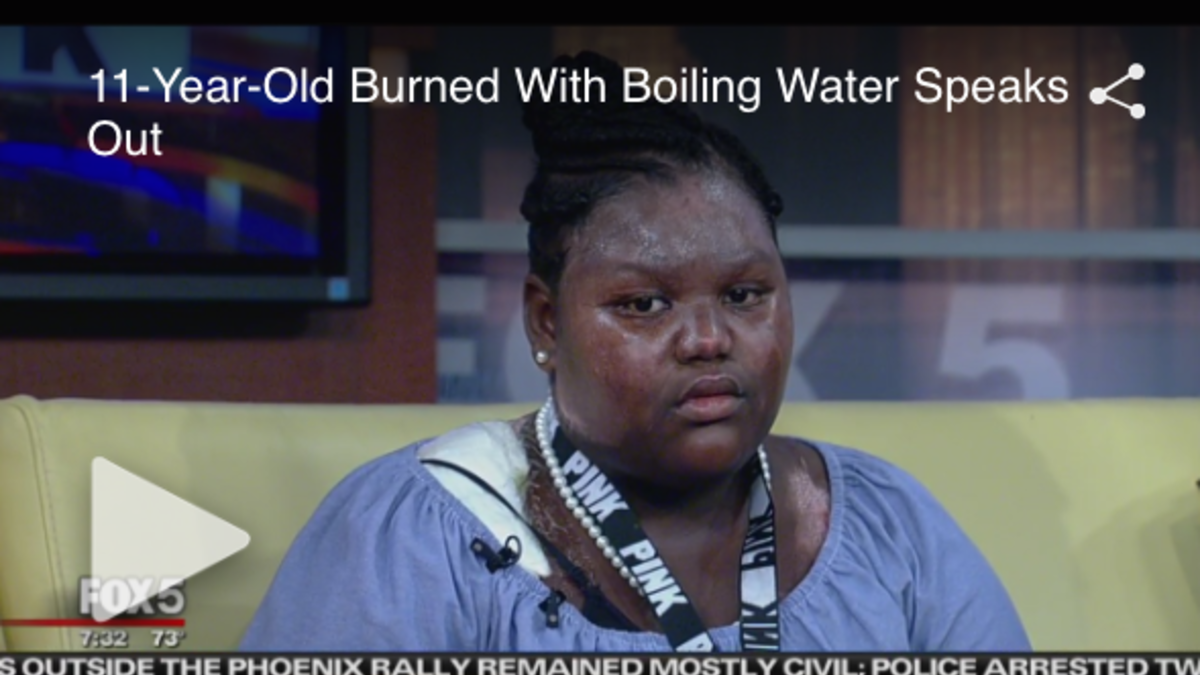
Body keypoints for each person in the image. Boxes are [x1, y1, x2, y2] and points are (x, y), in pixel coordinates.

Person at [240, 51, 1030, 652]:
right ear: (546, 323)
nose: (709, 338)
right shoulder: (416, 538)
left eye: (745, 294)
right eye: (644, 304)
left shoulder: (888, 527)